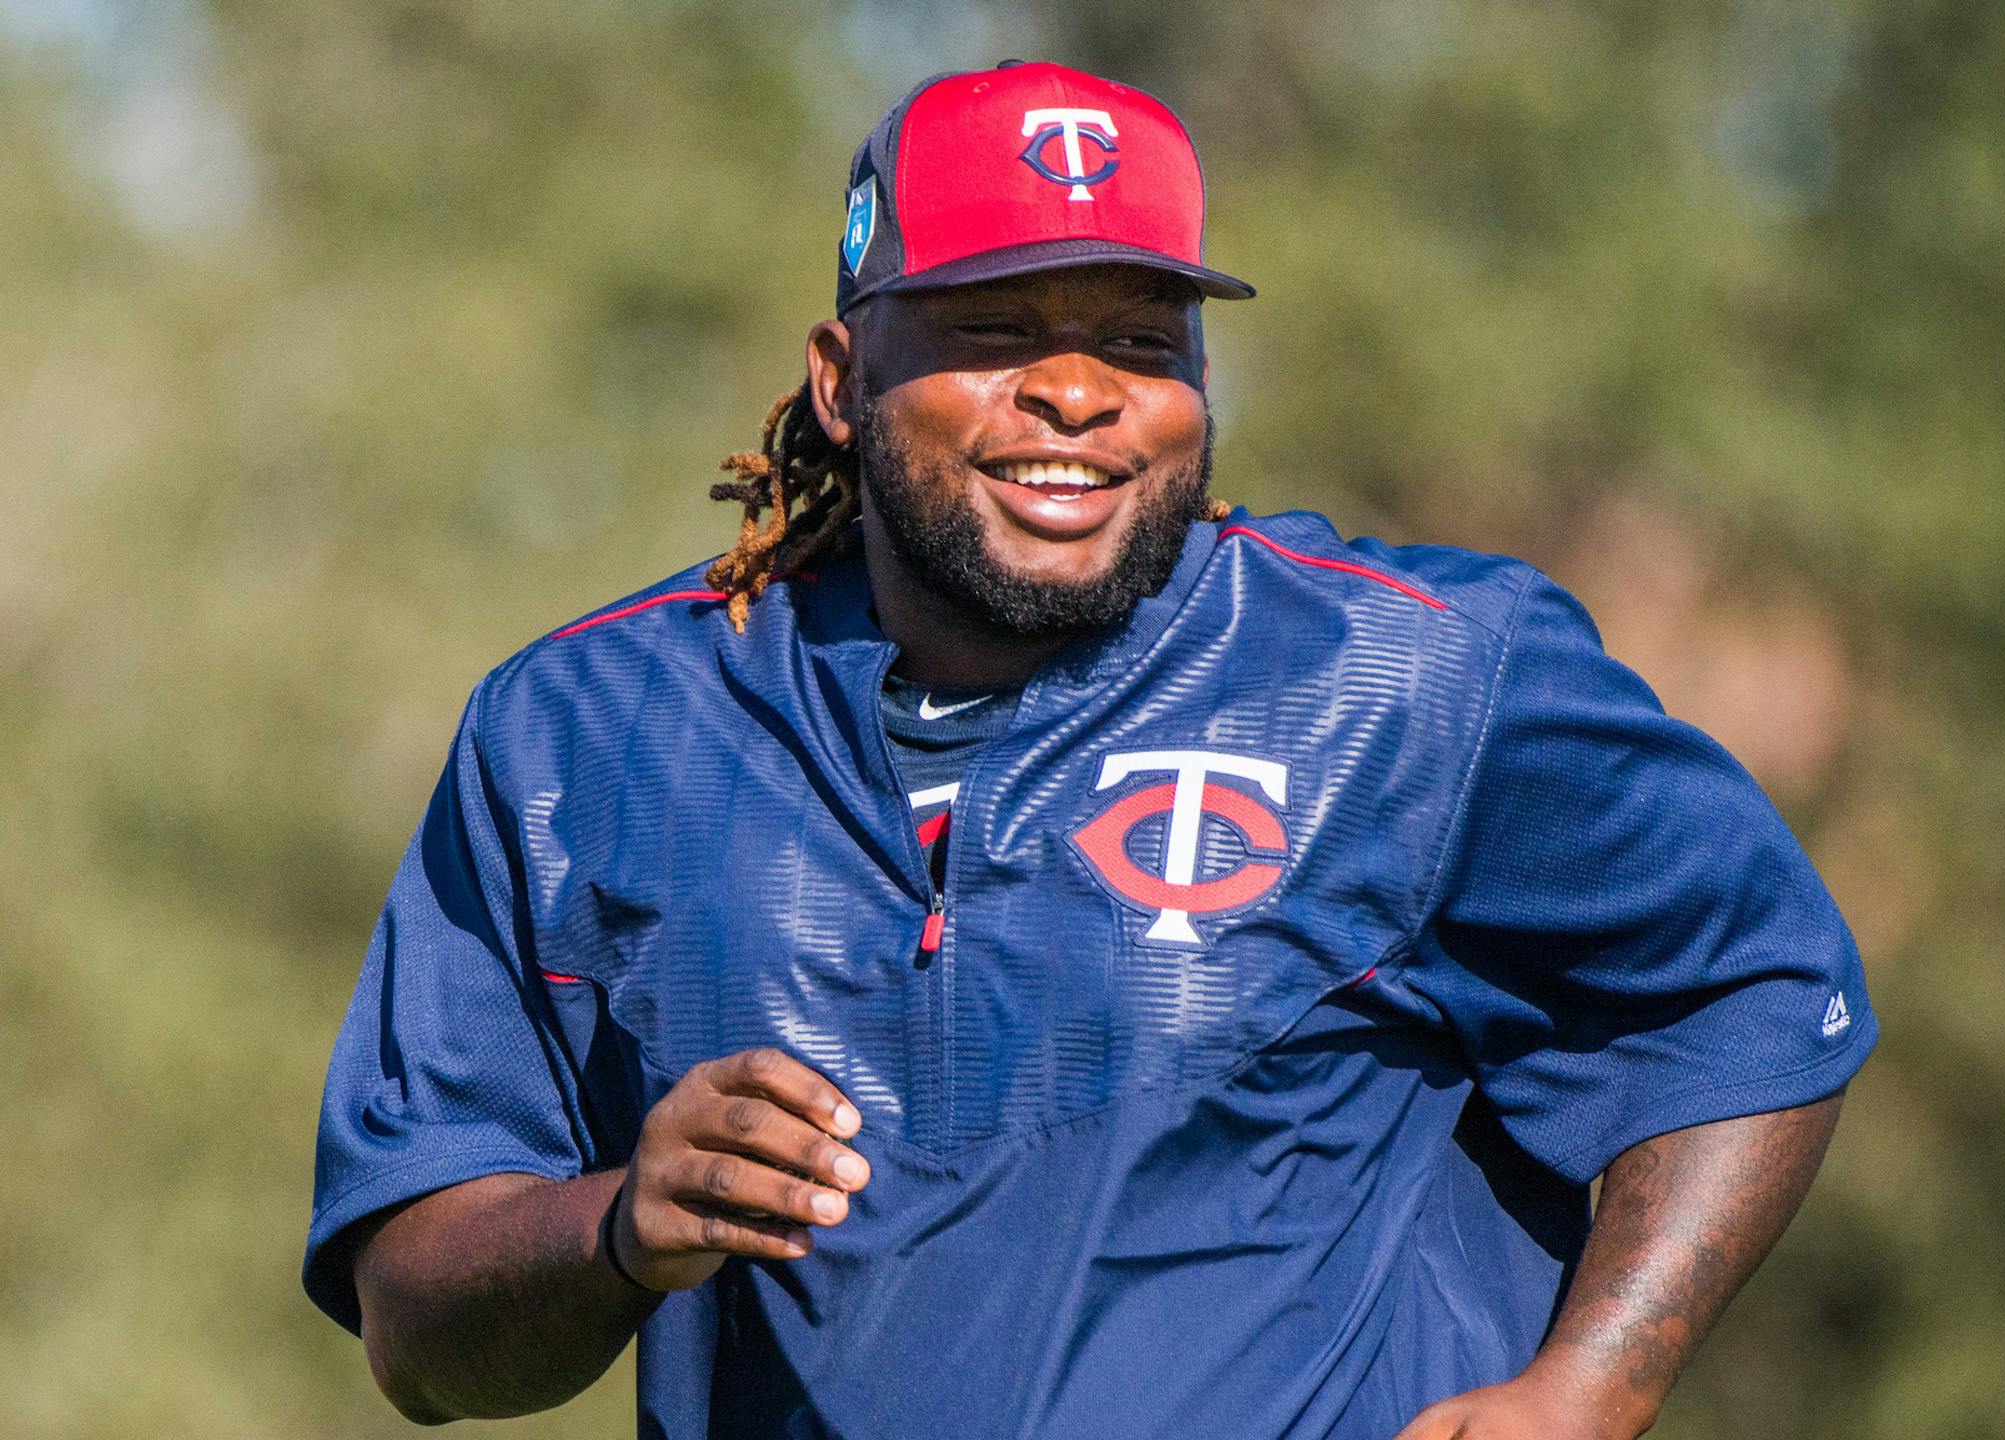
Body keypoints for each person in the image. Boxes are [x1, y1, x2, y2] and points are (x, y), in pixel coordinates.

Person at [304, 59, 1875, 1440]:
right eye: (995, 329)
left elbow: (1754, 995)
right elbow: (415, 1327)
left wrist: (1593, 1384)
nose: (1075, 392)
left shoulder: (1413, 674)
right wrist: (619, 1226)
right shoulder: (582, 732)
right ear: (842, 382)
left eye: (1140, 338)